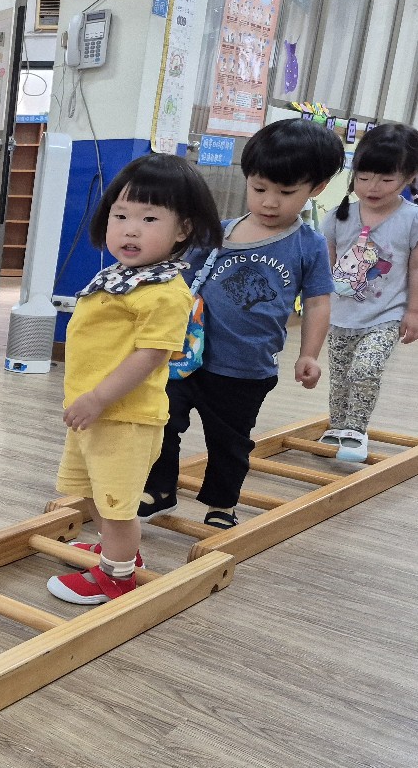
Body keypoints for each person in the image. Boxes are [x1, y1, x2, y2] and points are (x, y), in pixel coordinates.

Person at [141, 119, 344, 528]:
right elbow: (180, 281)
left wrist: (309, 354)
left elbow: (318, 302)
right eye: (259, 188)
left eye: (286, 192)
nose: (270, 202)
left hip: (245, 369)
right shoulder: (220, 233)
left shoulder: (308, 245)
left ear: (317, 188)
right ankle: (159, 489)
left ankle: (222, 503)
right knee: (162, 421)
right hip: (186, 357)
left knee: (229, 441)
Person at [48, 153, 223, 605]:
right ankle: (116, 550)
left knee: (117, 505)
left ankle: (117, 575)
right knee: (91, 493)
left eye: (148, 219)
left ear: (182, 230)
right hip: (94, 411)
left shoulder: (165, 292)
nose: (130, 229)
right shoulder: (121, 278)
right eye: (120, 216)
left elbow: (151, 355)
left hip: (124, 417)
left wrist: (97, 398)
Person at [318, 123, 418, 461]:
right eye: (363, 177)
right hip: (341, 315)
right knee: (340, 377)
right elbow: (326, 269)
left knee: (365, 369)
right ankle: (337, 426)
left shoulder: (412, 220)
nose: (372, 187)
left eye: (386, 180)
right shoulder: (338, 217)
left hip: (386, 314)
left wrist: (413, 312)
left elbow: (415, 269)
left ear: (410, 177)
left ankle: (355, 431)